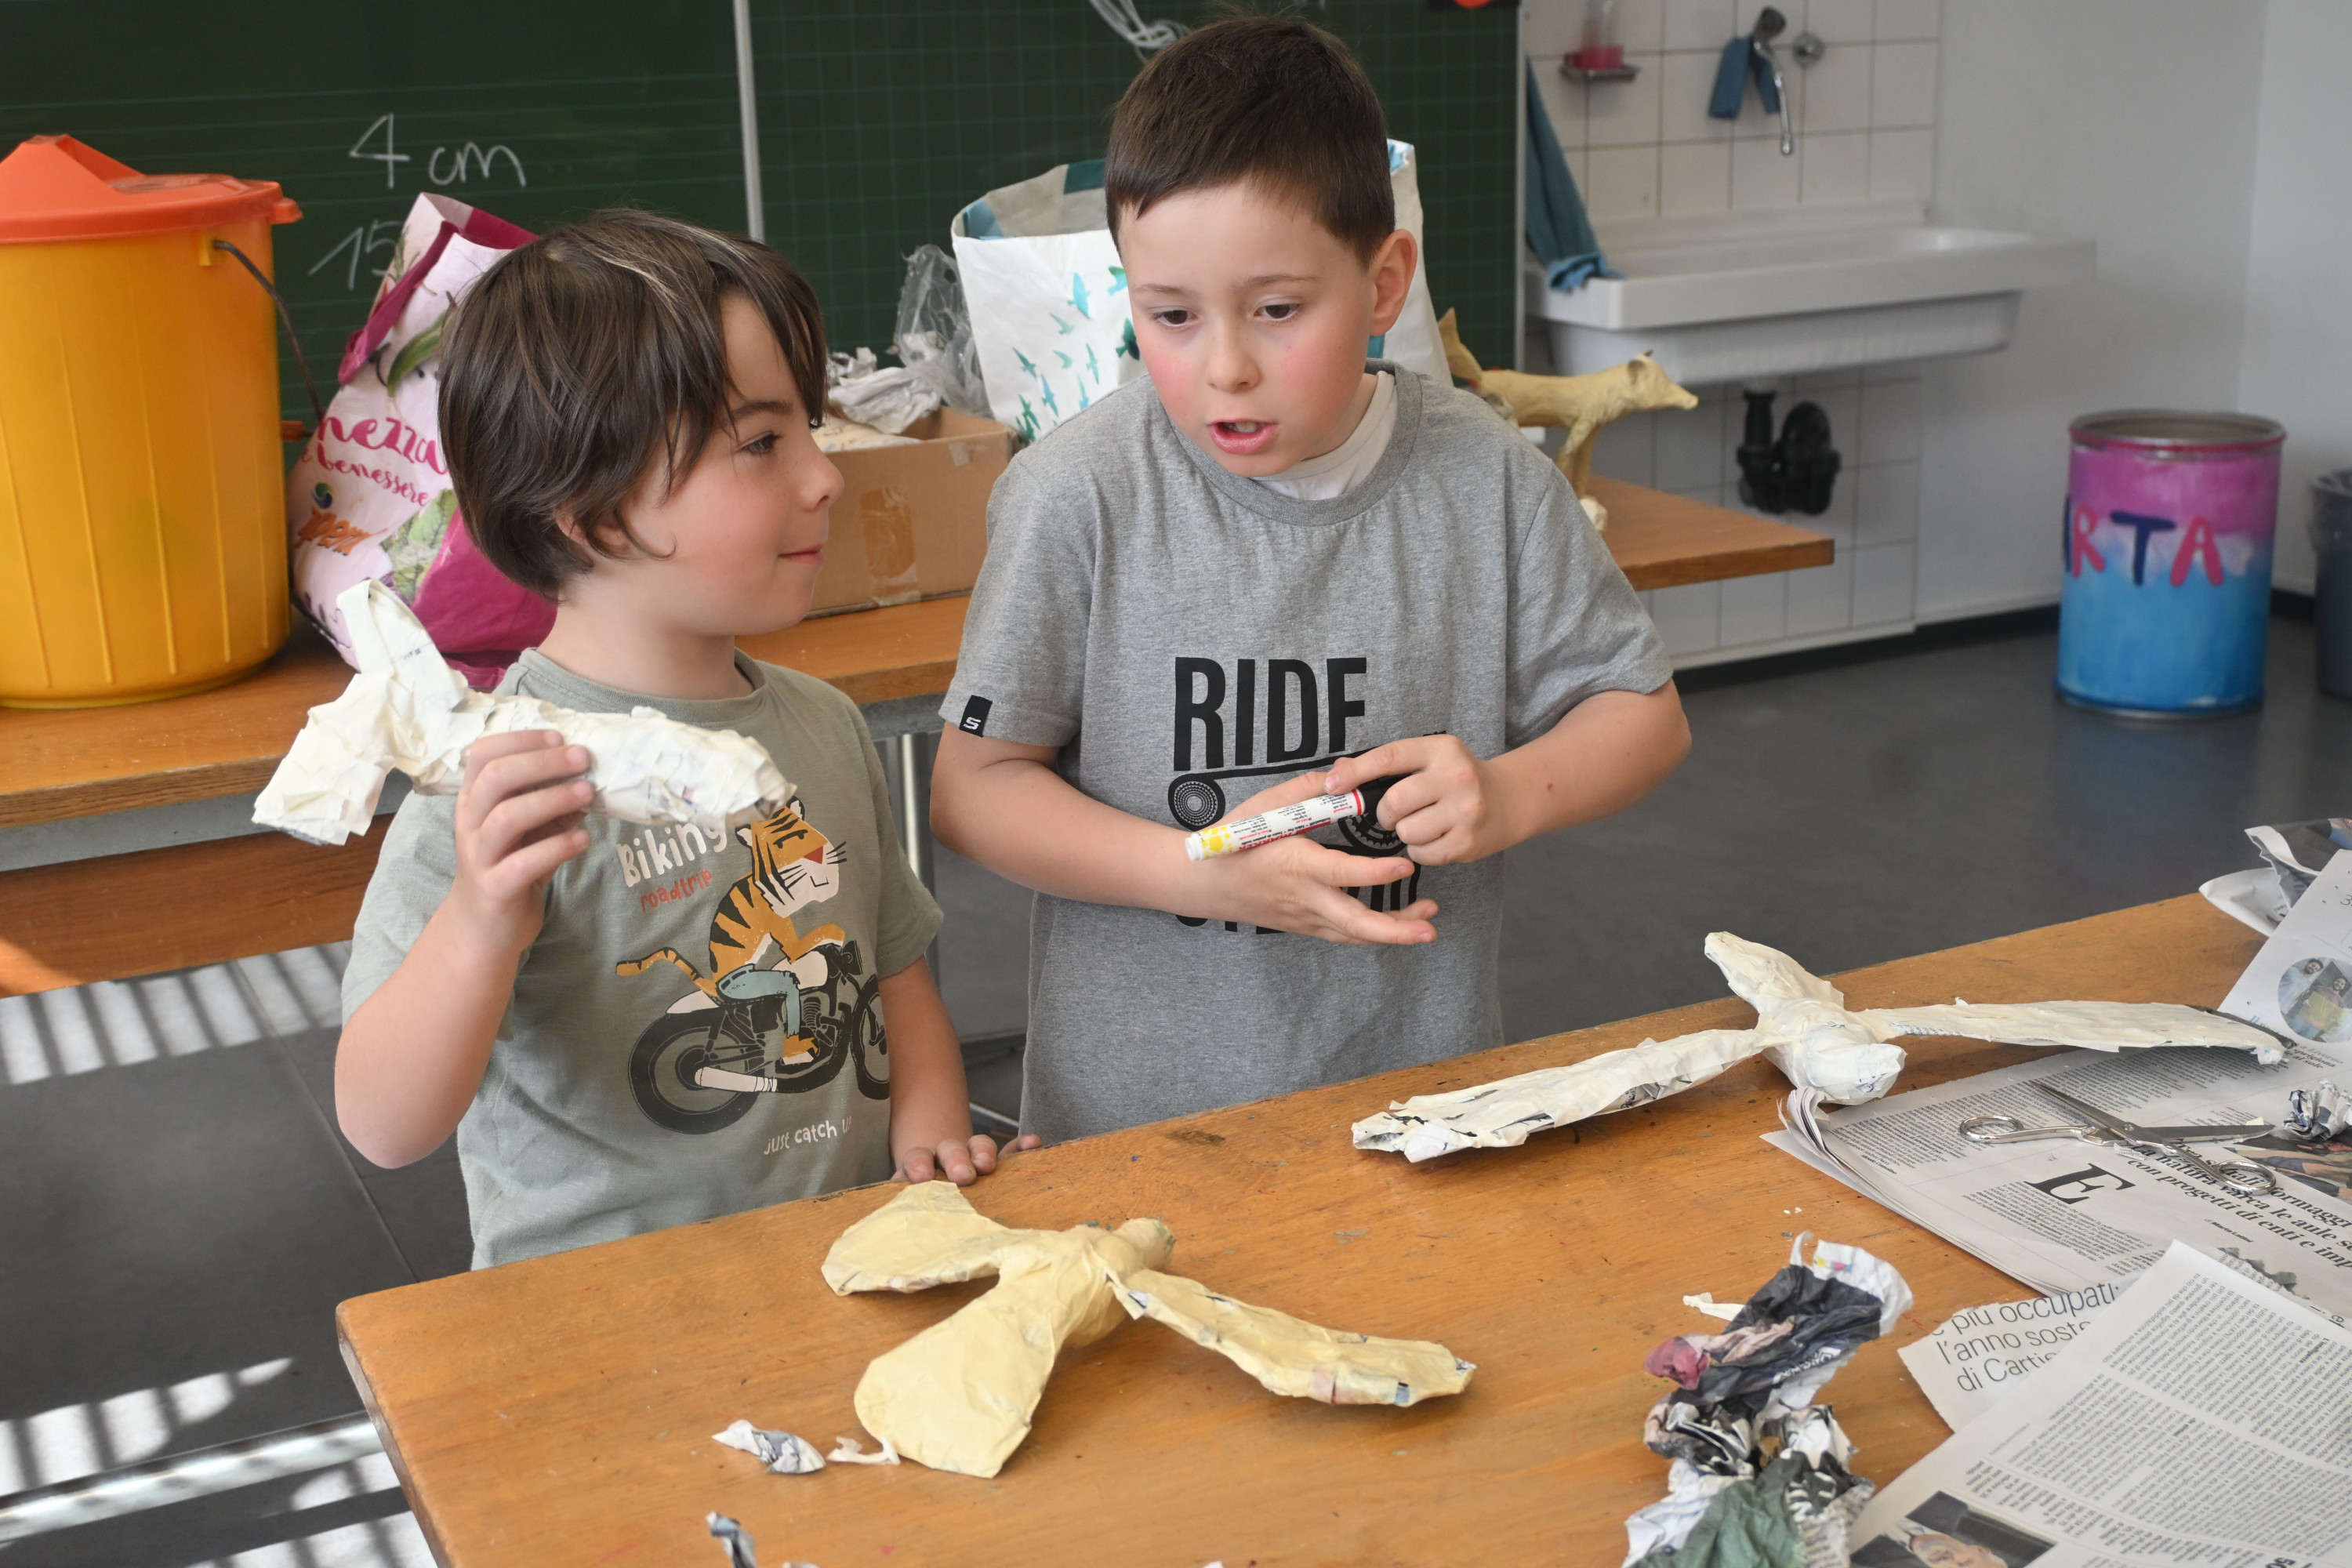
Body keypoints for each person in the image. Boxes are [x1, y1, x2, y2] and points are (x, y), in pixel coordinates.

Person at [930, 15, 1690, 1144]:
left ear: (1384, 284)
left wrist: (1507, 793)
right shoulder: (1076, 492)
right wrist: (1196, 871)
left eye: (1278, 310)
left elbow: (1645, 718)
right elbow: (972, 790)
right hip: (1136, 1129)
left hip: (1417, 1102)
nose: (1225, 367)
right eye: (1170, 316)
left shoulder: (1485, 476)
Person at [337, 211, 1031, 1269]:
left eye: (810, 426)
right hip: (608, 1317)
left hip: (845, 1271)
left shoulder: (822, 725)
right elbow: (385, 1127)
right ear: (589, 510)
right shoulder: (499, 789)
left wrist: (930, 1130)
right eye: (761, 444)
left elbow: (895, 978)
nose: (825, 476)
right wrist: (480, 922)